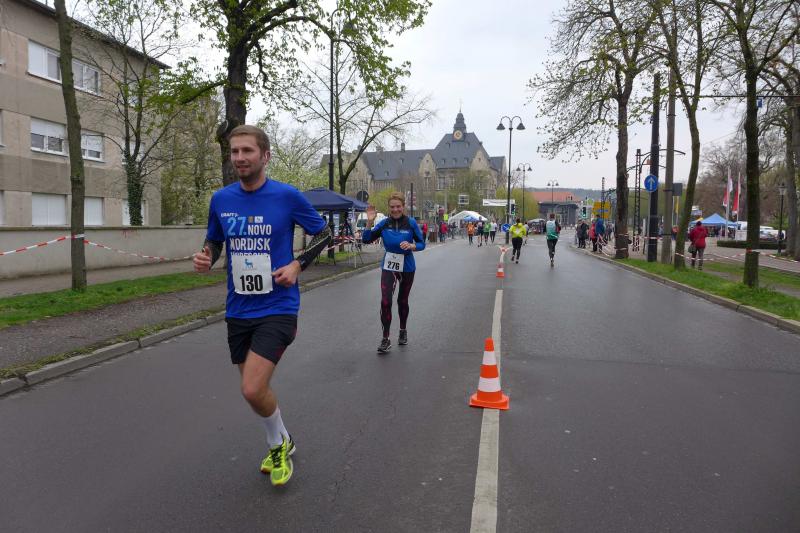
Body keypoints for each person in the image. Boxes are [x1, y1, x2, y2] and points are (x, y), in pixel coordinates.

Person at [193, 125, 331, 487]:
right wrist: (207, 256)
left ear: (265, 156)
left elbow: (325, 233)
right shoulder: (221, 200)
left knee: (252, 389)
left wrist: (298, 265)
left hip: (278, 306)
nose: (239, 158)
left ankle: (276, 446)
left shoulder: (287, 196)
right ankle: (283, 438)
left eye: (247, 151)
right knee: (254, 392)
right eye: (234, 151)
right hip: (238, 309)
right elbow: (214, 240)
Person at [361, 192, 425, 353]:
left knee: (402, 301)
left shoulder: (410, 223)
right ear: (388, 208)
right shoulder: (384, 223)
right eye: (392, 207)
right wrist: (369, 222)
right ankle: (386, 338)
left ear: (403, 206)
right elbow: (366, 239)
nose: (395, 210)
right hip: (389, 265)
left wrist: (412, 246)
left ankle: (403, 330)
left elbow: (422, 243)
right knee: (385, 302)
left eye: (398, 206)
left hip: (407, 266)